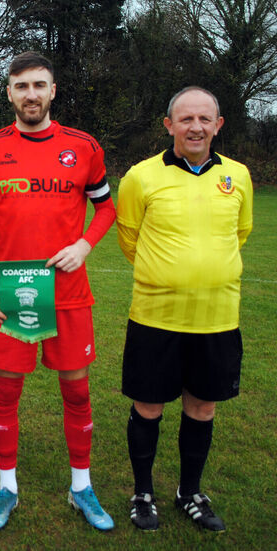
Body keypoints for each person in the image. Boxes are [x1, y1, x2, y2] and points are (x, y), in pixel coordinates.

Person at [0, 51, 116, 531]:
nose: (31, 94)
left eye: (40, 85)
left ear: (53, 91)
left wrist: (85, 245)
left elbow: (106, 208)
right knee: (7, 393)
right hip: (9, 295)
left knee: (78, 391)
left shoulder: (83, 146)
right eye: (22, 86)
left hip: (68, 295)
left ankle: (81, 486)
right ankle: (7, 489)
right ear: (9, 92)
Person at [117, 86, 253, 532]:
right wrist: (169, 274)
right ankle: (142, 493)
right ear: (168, 125)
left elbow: (241, 234)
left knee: (203, 408)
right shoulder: (140, 177)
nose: (195, 127)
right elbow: (130, 240)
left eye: (204, 119)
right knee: (148, 408)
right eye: (186, 119)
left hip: (217, 318)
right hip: (156, 318)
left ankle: (189, 491)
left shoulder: (238, 177)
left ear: (218, 125)